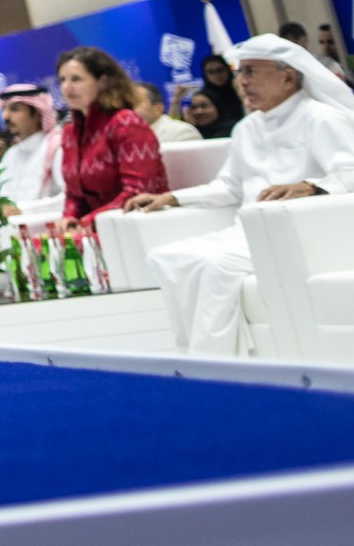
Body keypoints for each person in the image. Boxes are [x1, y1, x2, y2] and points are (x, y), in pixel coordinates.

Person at [127, 35, 354, 354]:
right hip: (246, 230)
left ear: (287, 76)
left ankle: (217, 365)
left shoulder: (321, 117)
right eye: (240, 73)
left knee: (217, 265)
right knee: (167, 257)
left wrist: (312, 186)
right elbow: (230, 187)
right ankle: (193, 355)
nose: (241, 81)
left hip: (298, 232)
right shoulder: (247, 128)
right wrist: (172, 198)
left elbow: (350, 172)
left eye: (250, 71)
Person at [57, 46, 169, 222]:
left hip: (135, 223)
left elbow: (137, 192)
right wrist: (70, 217)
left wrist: (88, 222)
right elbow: (75, 194)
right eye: (62, 80)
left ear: (103, 81)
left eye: (76, 79)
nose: (66, 87)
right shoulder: (70, 132)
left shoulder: (126, 123)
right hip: (95, 226)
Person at [0, 83, 64, 214]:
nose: (5, 116)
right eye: (4, 109)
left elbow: (67, 199)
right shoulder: (10, 155)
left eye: (14, 109)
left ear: (38, 113)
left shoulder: (56, 147)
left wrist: (23, 210)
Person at [133, 80, 202, 144]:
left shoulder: (182, 132)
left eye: (135, 102)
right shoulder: (128, 136)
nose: (128, 109)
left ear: (158, 109)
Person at [198, 54, 246, 137]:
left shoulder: (241, 90)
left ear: (227, 69)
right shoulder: (204, 97)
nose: (216, 75)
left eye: (220, 70)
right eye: (211, 72)